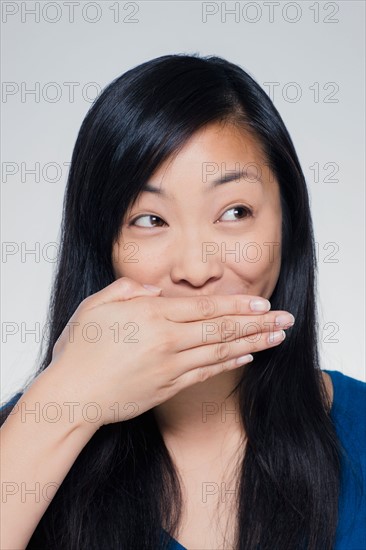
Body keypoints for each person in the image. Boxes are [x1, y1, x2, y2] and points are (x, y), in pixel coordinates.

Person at [0, 53, 365, 550]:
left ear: (289, 223)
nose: (197, 270)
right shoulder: (25, 438)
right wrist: (66, 402)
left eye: (235, 212)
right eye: (150, 220)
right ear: (101, 245)